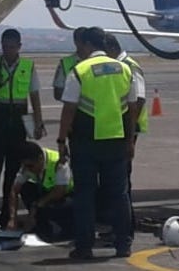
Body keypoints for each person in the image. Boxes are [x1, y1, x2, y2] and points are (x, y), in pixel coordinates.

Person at [56, 27, 137, 260]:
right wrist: (130, 141)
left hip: (86, 143)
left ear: (88, 45)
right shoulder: (124, 69)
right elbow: (132, 108)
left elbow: (68, 109)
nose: (78, 50)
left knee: (85, 196)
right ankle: (123, 244)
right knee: (119, 195)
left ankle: (84, 246)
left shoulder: (80, 71)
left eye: (80, 45)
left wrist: (62, 141)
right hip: (117, 141)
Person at [0, 28, 44, 228]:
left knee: (13, 171)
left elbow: (35, 96)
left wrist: (38, 122)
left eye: (12, 47)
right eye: (5, 47)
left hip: (18, 121)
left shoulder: (28, 67)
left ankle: (6, 216)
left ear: (19, 47)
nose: (8, 51)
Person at [102, 34, 146, 225]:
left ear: (111, 49)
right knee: (118, 179)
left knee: (122, 179)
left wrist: (129, 134)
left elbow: (139, 99)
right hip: (121, 129)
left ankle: (125, 224)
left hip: (128, 129)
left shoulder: (129, 66)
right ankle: (120, 223)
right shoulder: (120, 66)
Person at [4, 141, 74, 242]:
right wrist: (12, 218)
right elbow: (14, 190)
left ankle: (64, 228)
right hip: (47, 193)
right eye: (25, 166)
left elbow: (60, 191)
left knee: (56, 208)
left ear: (40, 158)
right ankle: (40, 225)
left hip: (67, 196)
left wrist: (37, 205)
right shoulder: (27, 168)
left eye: (30, 166)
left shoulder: (59, 162)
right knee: (26, 188)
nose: (28, 170)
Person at [52, 27, 88, 102]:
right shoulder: (65, 63)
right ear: (76, 42)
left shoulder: (96, 61)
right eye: (82, 41)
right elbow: (57, 93)